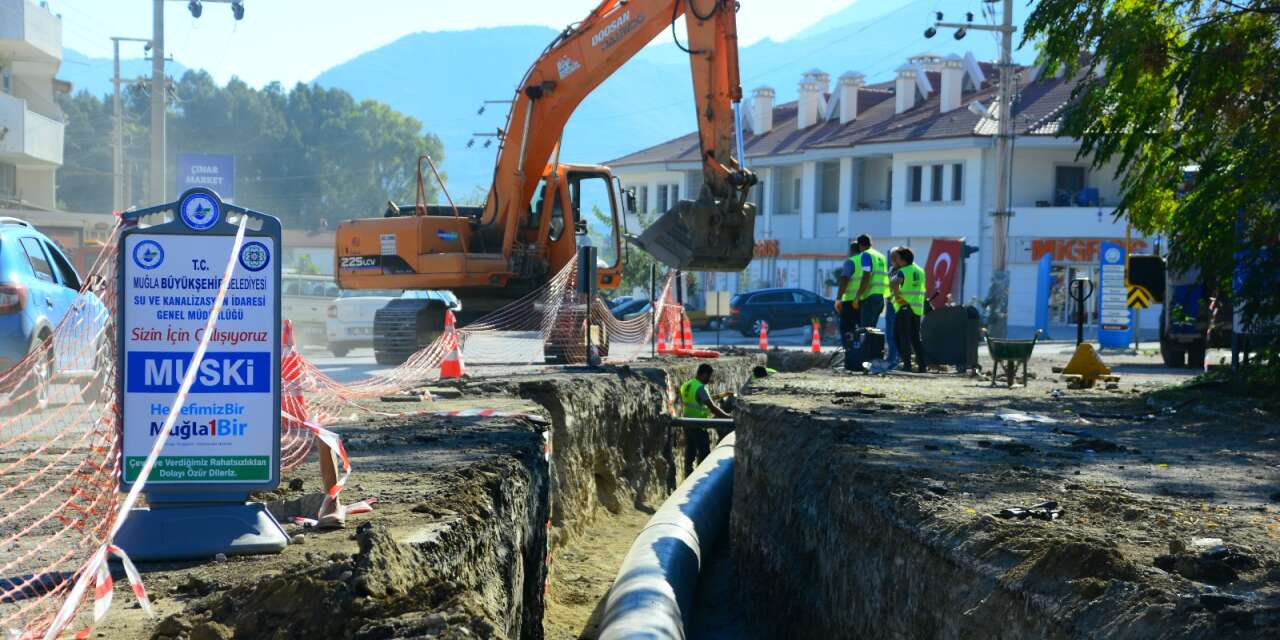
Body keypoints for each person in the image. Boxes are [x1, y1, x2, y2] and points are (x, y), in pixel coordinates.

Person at [679, 363, 730, 474]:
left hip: (686, 422)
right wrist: (729, 418)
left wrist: (721, 395)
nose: (709, 380)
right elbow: (712, 408)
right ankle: (701, 476)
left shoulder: (687, 385)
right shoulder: (700, 388)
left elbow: (699, 400)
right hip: (698, 425)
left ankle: (688, 475)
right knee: (704, 453)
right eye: (709, 376)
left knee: (690, 452)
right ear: (705, 374)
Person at [837, 235, 888, 330]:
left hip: (869, 297)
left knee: (865, 330)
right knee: (873, 329)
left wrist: (857, 297)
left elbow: (866, 276)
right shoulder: (880, 256)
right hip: (880, 297)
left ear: (860, 245)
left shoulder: (866, 255)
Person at [890, 247, 928, 373]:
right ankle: (922, 366)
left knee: (899, 336)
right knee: (915, 338)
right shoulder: (920, 271)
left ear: (903, 260)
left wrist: (897, 297)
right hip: (917, 309)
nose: (897, 261)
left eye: (898, 259)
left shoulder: (903, 271)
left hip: (904, 307)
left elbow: (895, 284)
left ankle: (907, 365)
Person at [883, 246, 904, 368]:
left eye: (895, 257)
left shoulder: (904, 271)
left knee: (896, 334)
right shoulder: (890, 270)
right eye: (892, 257)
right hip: (890, 305)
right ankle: (891, 357)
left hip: (898, 306)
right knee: (889, 334)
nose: (893, 259)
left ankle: (896, 360)